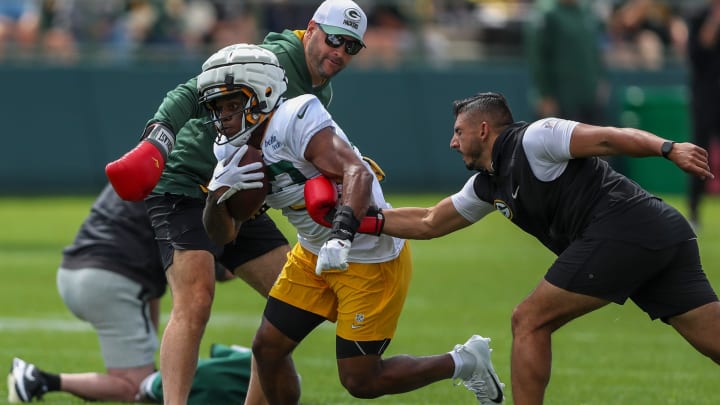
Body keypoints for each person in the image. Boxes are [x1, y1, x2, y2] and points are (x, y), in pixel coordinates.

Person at [331, 92, 720, 404]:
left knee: (529, 320)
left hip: (627, 228)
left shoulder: (537, 138)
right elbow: (431, 221)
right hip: (661, 233)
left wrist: (668, 148)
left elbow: (607, 137)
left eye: (458, 132)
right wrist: (356, 217)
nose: (452, 142)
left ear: (483, 129)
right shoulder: (488, 183)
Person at [198, 44, 506, 405]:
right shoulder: (229, 153)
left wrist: (341, 236)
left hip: (365, 254)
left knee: (361, 380)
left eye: (233, 104)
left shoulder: (295, 118)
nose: (224, 117)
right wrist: (216, 199)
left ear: (264, 93)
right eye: (218, 107)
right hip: (311, 251)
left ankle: (465, 362)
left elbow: (355, 171)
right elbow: (224, 234)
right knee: (267, 349)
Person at [102, 1, 373, 403]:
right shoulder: (275, 59)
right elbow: (192, 91)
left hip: (242, 189)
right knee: (195, 300)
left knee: (297, 299)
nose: (340, 51)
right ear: (312, 29)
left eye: (352, 47)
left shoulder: (321, 89)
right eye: (335, 39)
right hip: (186, 182)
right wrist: (158, 137)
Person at [6, 184, 258, 404]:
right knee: (133, 387)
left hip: (75, 271)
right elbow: (219, 269)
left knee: (146, 373)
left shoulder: (152, 166)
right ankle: (38, 380)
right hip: (111, 280)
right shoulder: (185, 181)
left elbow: (152, 286)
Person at [525, 0, 608, 124]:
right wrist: (545, 95)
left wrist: (601, 80)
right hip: (561, 100)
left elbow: (596, 52)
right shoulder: (546, 13)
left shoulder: (588, 11)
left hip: (589, 97)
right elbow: (537, 59)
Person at [687, 0, 720, 228]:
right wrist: (714, 21)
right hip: (706, 97)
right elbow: (697, 52)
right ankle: (694, 211)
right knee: (700, 153)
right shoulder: (699, 17)